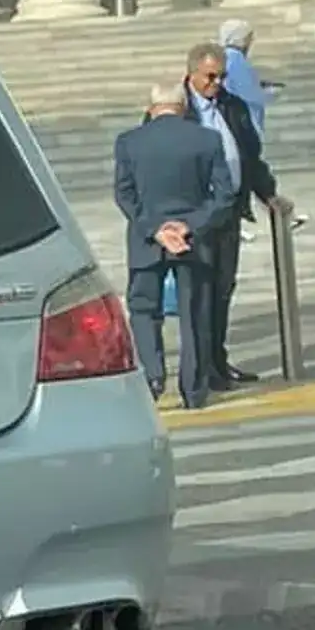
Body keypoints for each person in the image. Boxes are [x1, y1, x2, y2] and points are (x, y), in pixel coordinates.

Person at [115, 81, 239, 411]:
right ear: (183, 107)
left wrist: (155, 229)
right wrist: (189, 226)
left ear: (151, 108)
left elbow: (124, 194)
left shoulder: (129, 142)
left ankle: (153, 378)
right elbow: (224, 195)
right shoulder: (206, 139)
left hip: (147, 240)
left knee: (144, 310)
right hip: (193, 242)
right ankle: (193, 388)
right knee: (195, 313)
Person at [183, 42, 294, 389]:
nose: (216, 83)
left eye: (221, 76)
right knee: (200, 292)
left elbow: (250, 156)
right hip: (195, 214)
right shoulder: (176, 109)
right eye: (210, 76)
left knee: (222, 288)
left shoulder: (233, 107)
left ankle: (218, 360)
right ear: (192, 73)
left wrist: (268, 194)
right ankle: (200, 366)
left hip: (229, 211)